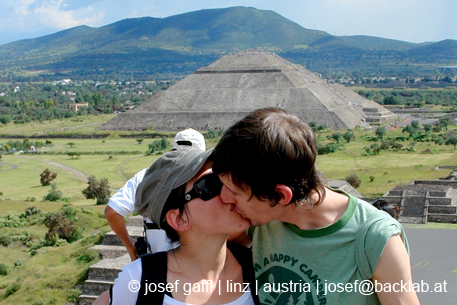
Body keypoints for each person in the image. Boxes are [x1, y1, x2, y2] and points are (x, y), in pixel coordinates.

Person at [212, 107, 420, 305]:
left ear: (281, 195)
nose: (224, 197)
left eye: (235, 192)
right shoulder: (259, 221)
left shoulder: (375, 238)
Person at [93, 148, 259, 305]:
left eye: (225, 177)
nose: (229, 189)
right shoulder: (138, 280)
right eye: (211, 184)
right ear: (179, 219)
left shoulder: (261, 266)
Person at [105, 128, 206, 260]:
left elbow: (112, 212)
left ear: (171, 152)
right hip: (200, 264)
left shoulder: (147, 175)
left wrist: (129, 244)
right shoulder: (211, 178)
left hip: (158, 267)